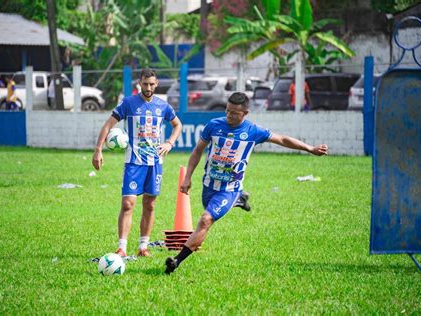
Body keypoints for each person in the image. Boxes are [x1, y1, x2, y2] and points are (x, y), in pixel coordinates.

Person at [164, 92, 328, 274]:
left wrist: (310, 149)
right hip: (209, 186)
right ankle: (240, 200)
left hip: (229, 189)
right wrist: (187, 177)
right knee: (207, 215)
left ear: (245, 113)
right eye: (227, 111)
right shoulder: (214, 125)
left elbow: (282, 139)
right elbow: (197, 151)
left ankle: (177, 261)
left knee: (205, 220)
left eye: (234, 113)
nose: (229, 116)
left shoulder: (252, 131)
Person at [92, 68, 183, 257]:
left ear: (156, 84)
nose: (148, 87)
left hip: (155, 163)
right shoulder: (129, 103)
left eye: (151, 84)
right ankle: (122, 248)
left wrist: (169, 142)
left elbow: (177, 125)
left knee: (150, 204)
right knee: (128, 203)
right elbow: (108, 125)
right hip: (133, 162)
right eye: (145, 84)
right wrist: (98, 150)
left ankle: (143, 247)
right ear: (139, 83)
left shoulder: (163, 106)